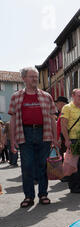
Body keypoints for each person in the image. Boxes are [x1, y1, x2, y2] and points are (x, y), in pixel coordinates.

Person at [8, 66, 58, 207]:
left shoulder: (46, 96)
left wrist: (55, 137)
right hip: (25, 134)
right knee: (27, 166)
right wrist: (12, 141)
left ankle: (43, 194)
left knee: (42, 166)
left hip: (44, 133)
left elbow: (52, 117)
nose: (35, 78)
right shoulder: (16, 97)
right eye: (32, 76)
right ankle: (28, 197)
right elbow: (12, 120)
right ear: (24, 79)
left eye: (36, 76)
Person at [60, 88, 80, 193]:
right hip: (73, 139)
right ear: (73, 96)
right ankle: (74, 187)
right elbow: (63, 125)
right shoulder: (67, 107)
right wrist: (67, 139)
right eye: (79, 96)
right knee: (74, 164)